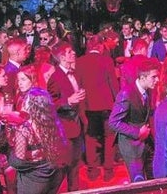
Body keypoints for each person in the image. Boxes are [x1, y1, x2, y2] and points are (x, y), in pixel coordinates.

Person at [75, 34, 120, 181]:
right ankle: (108, 170)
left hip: (88, 106)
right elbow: (113, 84)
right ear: (100, 46)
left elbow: (78, 85)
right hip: (107, 106)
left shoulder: (80, 62)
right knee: (109, 138)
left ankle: (92, 170)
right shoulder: (107, 60)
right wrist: (118, 103)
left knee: (90, 138)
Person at [8, 87, 67, 194]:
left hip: (34, 181)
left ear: (30, 105)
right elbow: (61, 147)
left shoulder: (25, 129)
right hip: (54, 174)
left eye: (25, 100)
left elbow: (18, 163)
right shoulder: (54, 123)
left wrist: (9, 153)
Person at [109, 58, 159, 182]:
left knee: (152, 179)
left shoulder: (149, 90)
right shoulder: (126, 93)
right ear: (142, 78)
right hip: (132, 147)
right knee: (138, 183)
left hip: (146, 143)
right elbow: (113, 122)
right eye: (154, 77)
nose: (157, 80)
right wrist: (137, 132)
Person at [47, 42, 86, 191]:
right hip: (65, 129)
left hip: (76, 125)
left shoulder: (73, 73)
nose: (74, 53)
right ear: (62, 57)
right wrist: (68, 101)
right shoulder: (55, 77)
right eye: (70, 52)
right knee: (63, 168)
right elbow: (50, 104)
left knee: (75, 167)